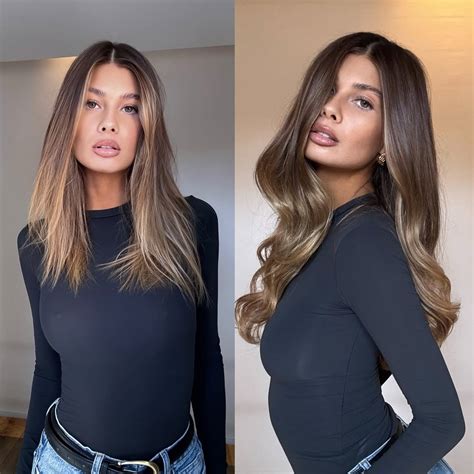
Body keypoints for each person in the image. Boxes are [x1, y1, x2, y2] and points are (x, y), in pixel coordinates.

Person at [235, 31, 465, 473]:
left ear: (389, 139)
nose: (330, 108)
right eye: (327, 89)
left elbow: (443, 421)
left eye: (362, 101)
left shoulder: (364, 242)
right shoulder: (324, 233)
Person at [16, 40, 226, 474]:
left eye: (129, 108)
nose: (109, 123)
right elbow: (47, 372)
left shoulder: (193, 223)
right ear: (67, 119)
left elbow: (207, 360)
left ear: (146, 127)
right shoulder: (36, 245)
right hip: (65, 464)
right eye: (92, 103)